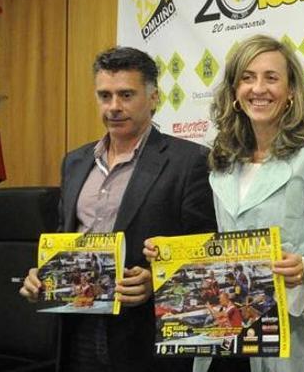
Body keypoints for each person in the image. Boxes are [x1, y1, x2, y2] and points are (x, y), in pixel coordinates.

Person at [19, 46, 216, 372]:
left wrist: (156, 280)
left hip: (145, 334)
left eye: (126, 95)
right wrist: (42, 276)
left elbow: (207, 250)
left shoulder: (189, 161)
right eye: (105, 95)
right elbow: (63, 236)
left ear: (153, 98)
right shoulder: (75, 161)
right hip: (76, 327)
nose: (114, 107)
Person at [168, 35, 304, 372]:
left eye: (271, 77)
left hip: (294, 336)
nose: (258, 88)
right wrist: (171, 257)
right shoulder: (223, 156)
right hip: (228, 333)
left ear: (291, 90)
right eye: (247, 78)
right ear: (235, 92)